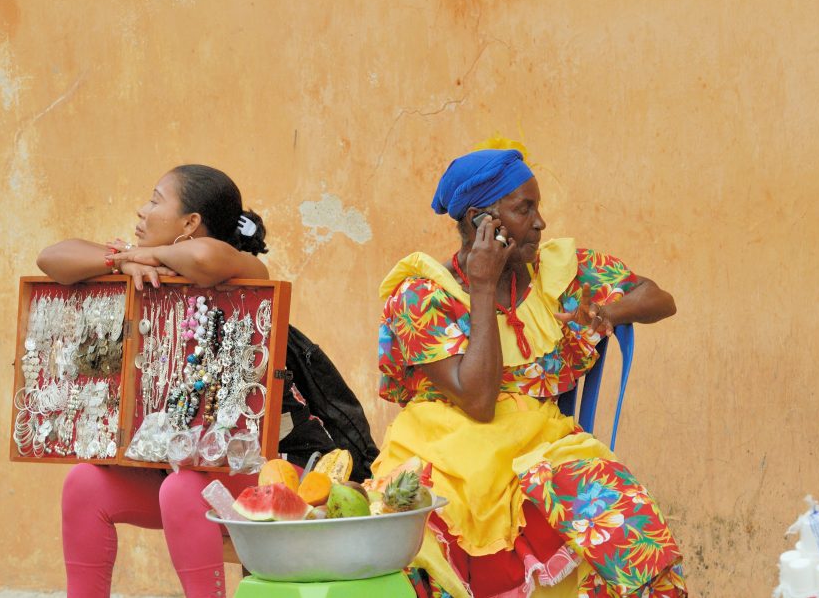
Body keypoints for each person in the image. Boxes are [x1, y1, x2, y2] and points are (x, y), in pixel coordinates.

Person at [36, 164, 378, 598]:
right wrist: (120, 260)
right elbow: (51, 258)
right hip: (186, 472)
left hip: (282, 472)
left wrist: (148, 257)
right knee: (84, 483)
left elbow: (204, 257)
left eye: (156, 200)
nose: (142, 210)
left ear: (190, 223)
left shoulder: (240, 273)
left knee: (184, 488)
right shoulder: (139, 270)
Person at [373, 148, 686, 597]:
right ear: (484, 222)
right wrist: (483, 285)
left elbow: (658, 298)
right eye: (525, 208)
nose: (540, 223)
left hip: (539, 447)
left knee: (629, 529)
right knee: (415, 547)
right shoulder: (421, 296)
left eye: (536, 206)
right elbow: (478, 403)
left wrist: (604, 310)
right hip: (447, 454)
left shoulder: (552, 273)